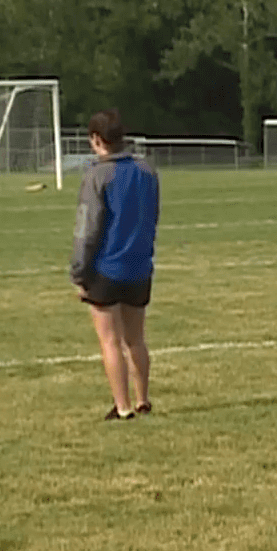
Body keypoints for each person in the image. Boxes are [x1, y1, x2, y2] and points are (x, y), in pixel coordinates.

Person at [69, 109, 160, 422]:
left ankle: (122, 407)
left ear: (96, 140)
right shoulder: (147, 171)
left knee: (110, 341)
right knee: (136, 338)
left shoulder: (97, 176)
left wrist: (79, 273)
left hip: (107, 268)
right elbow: (153, 218)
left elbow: (87, 229)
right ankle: (143, 400)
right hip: (139, 267)